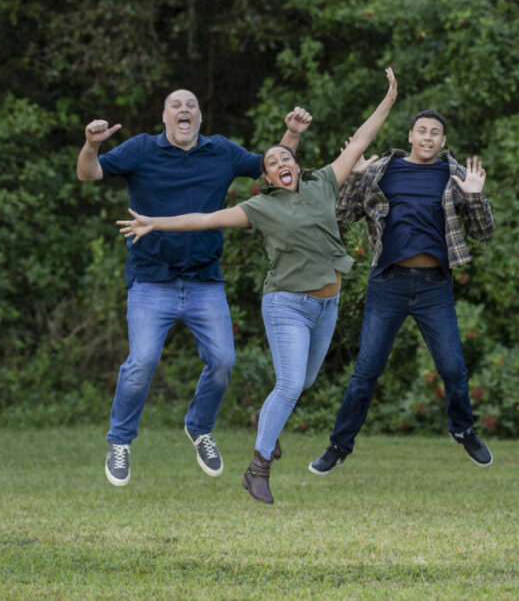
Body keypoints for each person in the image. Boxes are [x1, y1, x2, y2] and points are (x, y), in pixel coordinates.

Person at [116, 68, 398, 504]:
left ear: (296, 164)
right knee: (288, 385)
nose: (281, 164)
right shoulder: (259, 207)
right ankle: (258, 468)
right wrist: (154, 221)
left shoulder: (323, 184)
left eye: (286, 159)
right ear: (264, 178)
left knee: (299, 384)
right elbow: (202, 220)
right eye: (272, 163)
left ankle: (267, 423)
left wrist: (389, 100)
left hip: (328, 302)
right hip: (285, 304)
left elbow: (360, 141)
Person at [77, 90, 313, 487]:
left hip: (204, 280)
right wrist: (91, 145)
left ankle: (199, 427)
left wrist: (291, 135)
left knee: (223, 362)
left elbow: (272, 171)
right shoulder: (140, 150)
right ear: (164, 115)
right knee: (143, 362)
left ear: (200, 117)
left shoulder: (219, 151)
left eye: (191, 106)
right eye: (176, 106)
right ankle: (119, 442)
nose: (184, 111)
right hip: (151, 279)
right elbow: (88, 173)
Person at [308, 107, 496, 475]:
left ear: (443, 141)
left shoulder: (454, 174)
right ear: (410, 135)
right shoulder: (381, 169)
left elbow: (484, 233)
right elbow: (340, 216)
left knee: (453, 369)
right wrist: (355, 174)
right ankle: (338, 446)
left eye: (435, 133)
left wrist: (475, 196)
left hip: (434, 287)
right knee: (366, 372)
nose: (428, 137)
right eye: (421, 130)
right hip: (388, 283)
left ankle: (463, 429)